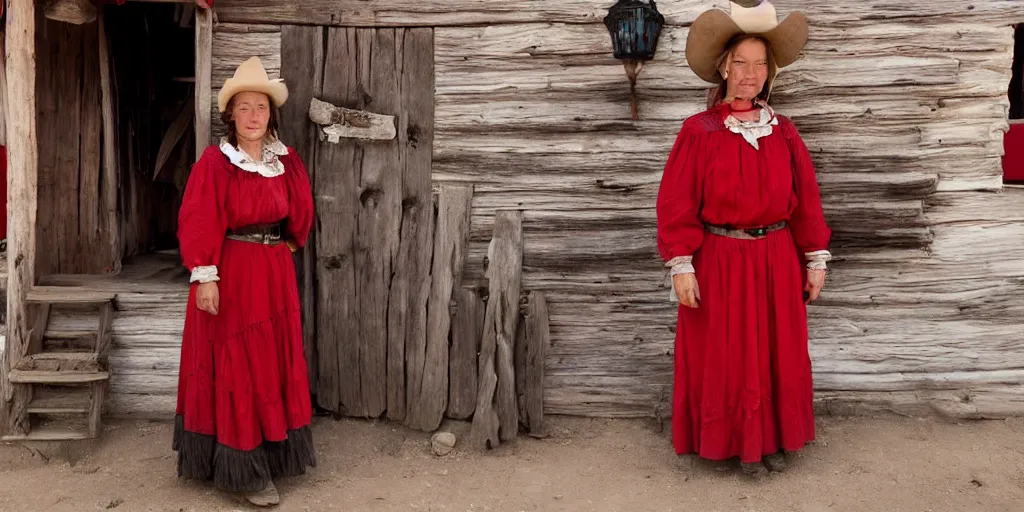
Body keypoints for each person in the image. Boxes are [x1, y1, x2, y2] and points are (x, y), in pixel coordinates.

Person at [656, 0, 832, 476]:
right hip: (719, 258)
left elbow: (806, 200)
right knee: (725, 355)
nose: (750, 73)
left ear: (768, 73)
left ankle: (772, 440)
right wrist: (681, 264)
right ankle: (732, 445)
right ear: (723, 68)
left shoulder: (784, 132)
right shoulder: (699, 132)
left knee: (777, 353)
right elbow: (676, 202)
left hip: (776, 258)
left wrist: (814, 258)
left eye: (759, 64)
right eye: (740, 62)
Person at [172, 56, 316, 506]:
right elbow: (198, 219)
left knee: (271, 361)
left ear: (270, 114)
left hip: (273, 273)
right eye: (244, 108)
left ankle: (270, 453)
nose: (253, 116)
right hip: (230, 272)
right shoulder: (216, 163)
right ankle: (242, 471)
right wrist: (205, 275)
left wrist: (284, 244)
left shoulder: (284, 160)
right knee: (238, 362)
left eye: (261, 107)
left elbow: (302, 209)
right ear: (230, 115)